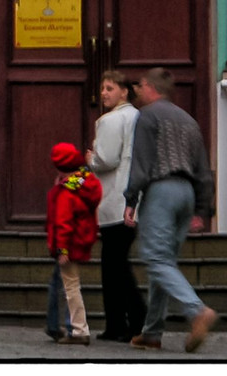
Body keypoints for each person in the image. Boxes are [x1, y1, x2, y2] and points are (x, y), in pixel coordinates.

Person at [124, 68, 217, 353]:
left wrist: (131, 200)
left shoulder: (148, 116)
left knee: (155, 259)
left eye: (139, 85)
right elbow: (203, 169)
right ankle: (152, 332)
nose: (137, 90)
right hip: (187, 194)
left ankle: (197, 310)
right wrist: (203, 208)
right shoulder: (189, 120)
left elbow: (141, 162)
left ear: (151, 87)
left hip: (160, 191)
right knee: (164, 264)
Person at [87, 69, 145, 341]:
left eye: (110, 88)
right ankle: (130, 321)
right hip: (134, 200)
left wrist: (91, 158)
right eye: (103, 88)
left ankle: (124, 323)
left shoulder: (110, 121)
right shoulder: (137, 117)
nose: (104, 93)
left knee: (113, 268)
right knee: (119, 264)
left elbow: (106, 159)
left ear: (124, 91)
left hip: (114, 202)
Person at [45, 141, 102, 345]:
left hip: (68, 246)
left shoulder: (65, 193)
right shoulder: (84, 182)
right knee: (64, 284)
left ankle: (78, 330)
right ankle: (57, 326)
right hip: (80, 241)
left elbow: (63, 223)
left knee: (70, 287)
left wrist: (62, 249)